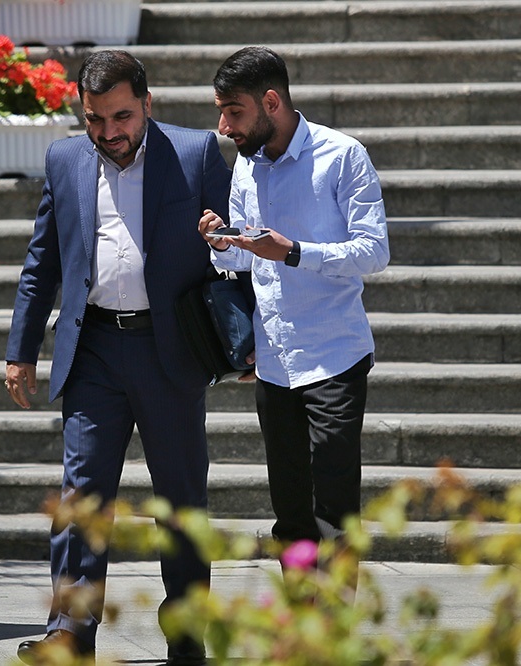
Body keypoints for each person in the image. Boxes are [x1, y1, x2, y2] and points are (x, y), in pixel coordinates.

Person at [6, 49, 231, 665]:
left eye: (122, 117)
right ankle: (70, 634)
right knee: (81, 495)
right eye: (95, 119)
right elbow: (42, 262)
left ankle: (186, 636)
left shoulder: (195, 153)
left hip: (169, 350)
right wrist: (21, 350)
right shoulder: (64, 159)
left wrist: (245, 336)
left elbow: (236, 248)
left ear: (147, 104)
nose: (109, 132)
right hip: (95, 349)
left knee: (181, 502)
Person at [198, 47, 389, 556]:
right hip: (274, 364)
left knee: (334, 514)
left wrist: (296, 251)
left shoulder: (342, 155)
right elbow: (247, 258)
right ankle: (298, 609)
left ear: (271, 102)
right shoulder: (245, 166)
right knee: (290, 515)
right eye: (221, 111)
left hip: (335, 358)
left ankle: (335, 610)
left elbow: (374, 251)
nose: (223, 127)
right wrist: (222, 242)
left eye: (234, 111)